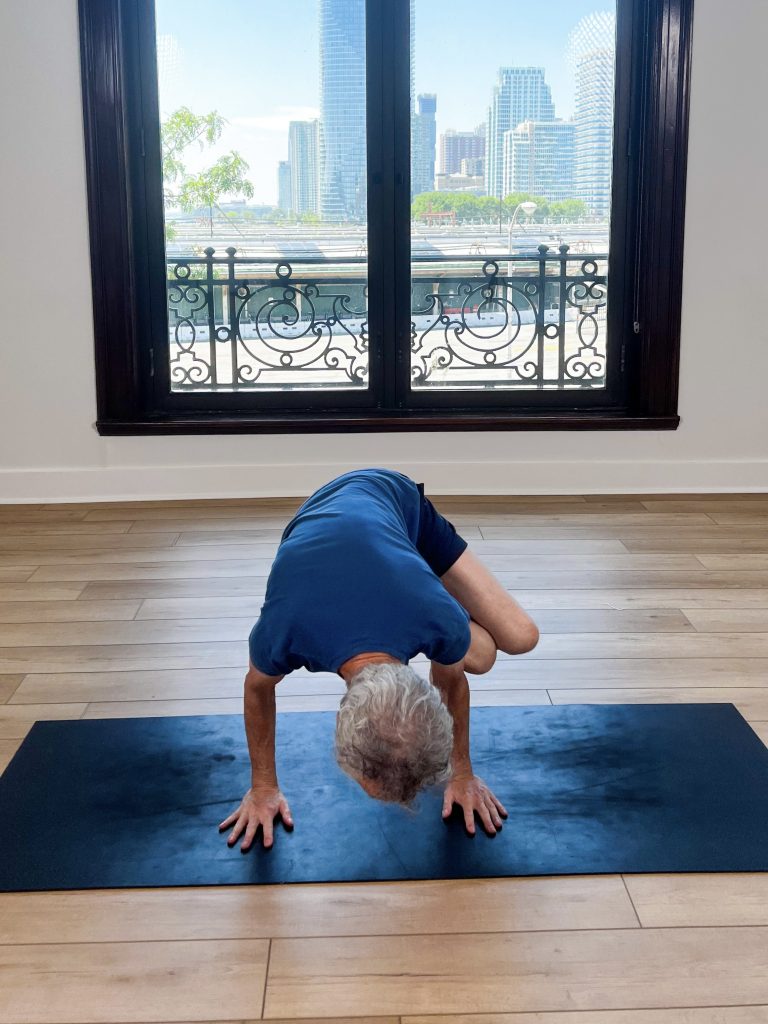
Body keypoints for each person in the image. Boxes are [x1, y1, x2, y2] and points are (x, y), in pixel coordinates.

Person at [219, 468, 539, 851]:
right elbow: (256, 689)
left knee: (514, 641)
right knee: (468, 647)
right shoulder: (287, 626)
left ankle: (415, 560)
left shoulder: (432, 614)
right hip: (330, 513)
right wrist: (263, 787)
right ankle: (412, 568)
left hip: (398, 505)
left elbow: (450, 681)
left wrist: (462, 773)